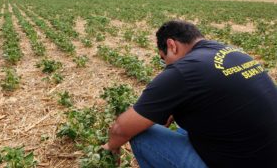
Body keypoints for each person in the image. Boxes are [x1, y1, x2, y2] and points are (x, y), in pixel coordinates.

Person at [102, 20, 277, 168]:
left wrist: (111, 147)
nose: (166, 65)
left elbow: (121, 128)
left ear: (171, 45)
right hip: (265, 154)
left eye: (163, 59)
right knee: (183, 126)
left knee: (141, 135)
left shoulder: (183, 70)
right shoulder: (233, 52)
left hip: (242, 161)